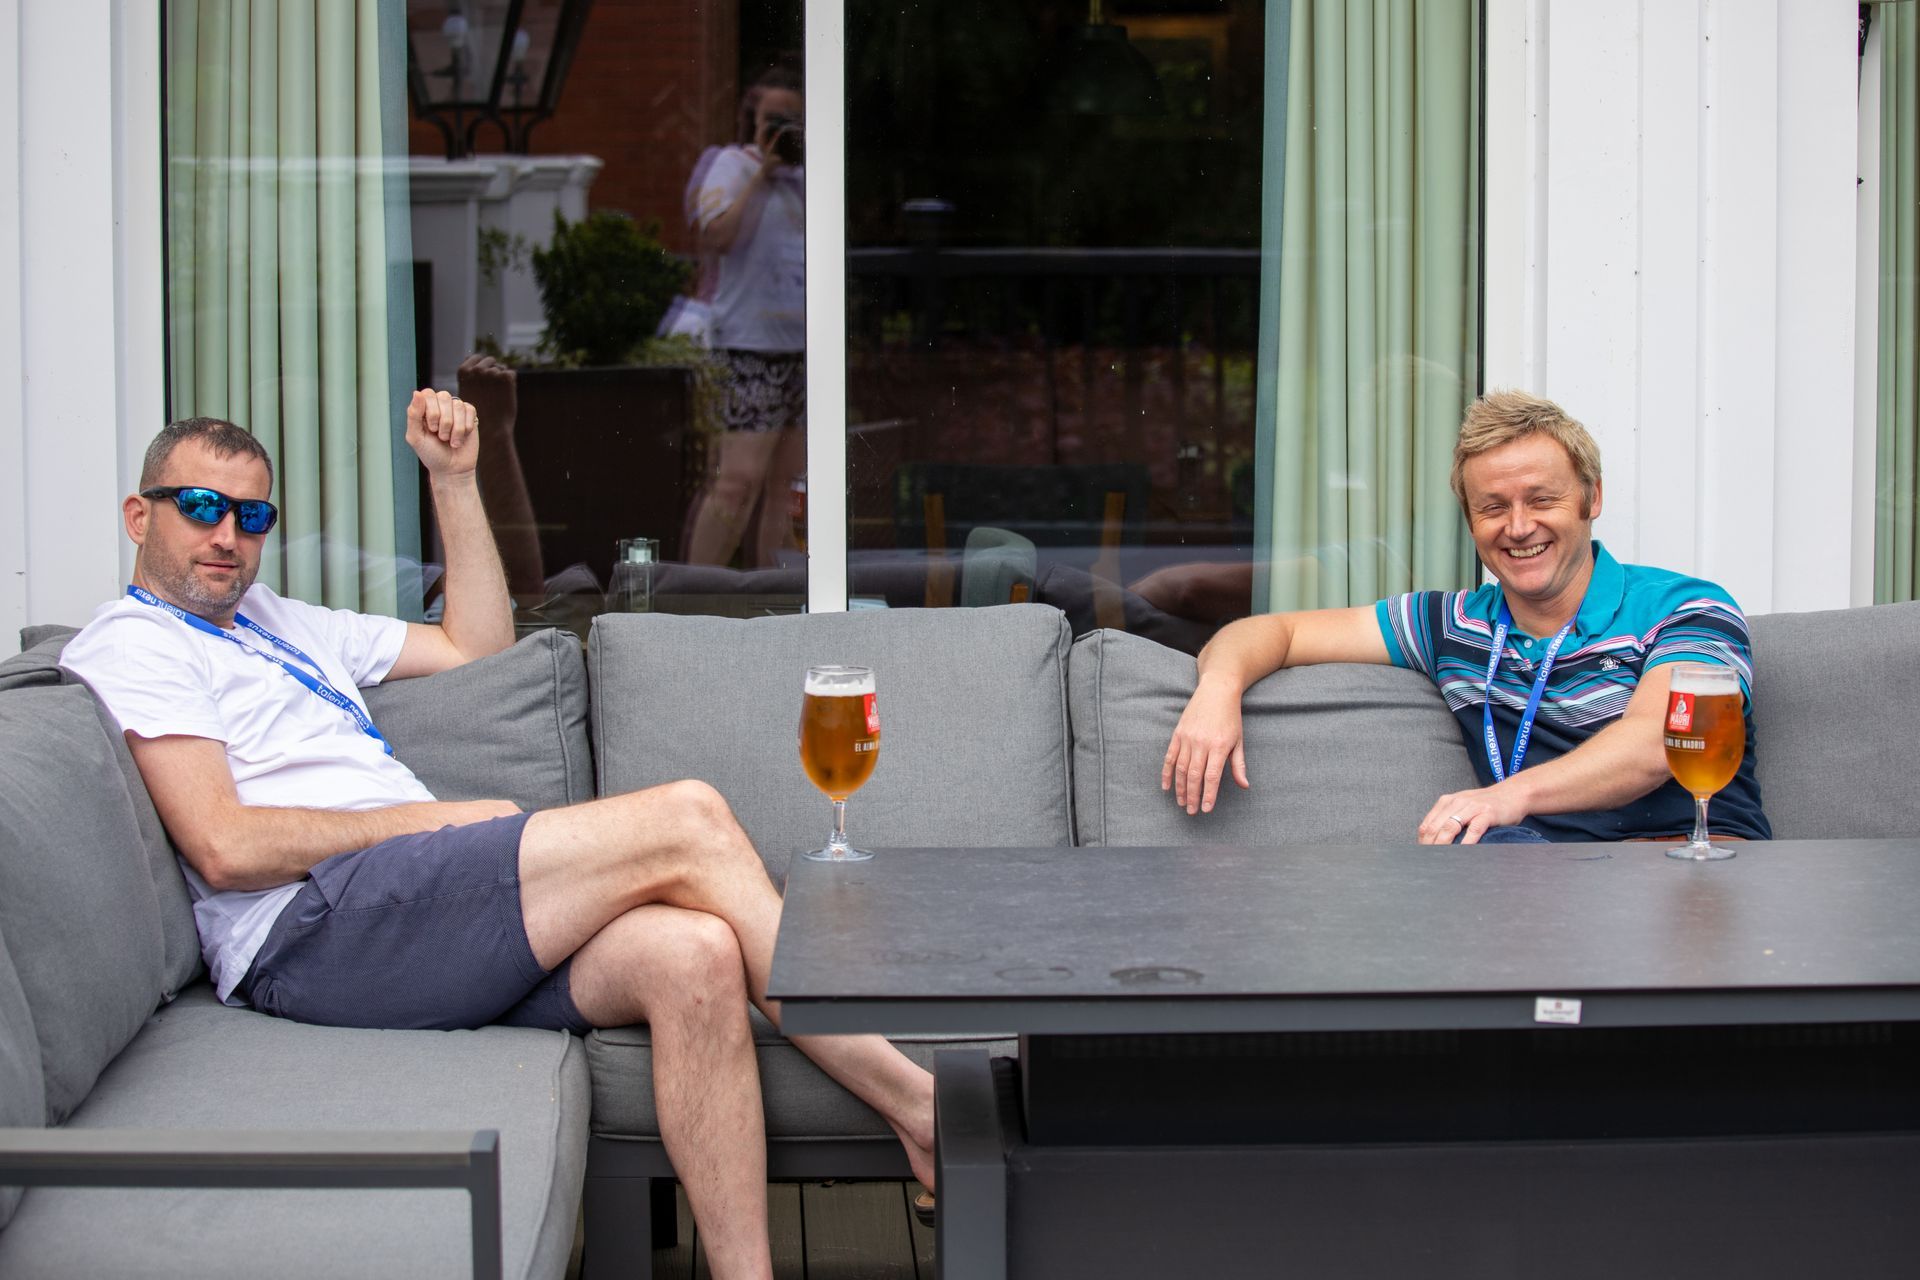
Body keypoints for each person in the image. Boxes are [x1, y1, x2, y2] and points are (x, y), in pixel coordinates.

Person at [60, 393, 934, 1279]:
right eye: (202, 508)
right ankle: (916, 1104)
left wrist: (456, 478)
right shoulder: (137, 642)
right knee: (690, 818)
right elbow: (223, 846)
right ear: (141, 515)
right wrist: (428, 820)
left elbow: (478, 643)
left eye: (252, 516)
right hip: (312, 929)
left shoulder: (280, 621)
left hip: (405, 910)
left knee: (695, 952)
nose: (227, 536)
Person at [1161, 389, 1772, 845]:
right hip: (1528, 887)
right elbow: (1277, 631)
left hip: (1687, 867)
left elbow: (1656, 744)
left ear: (1593, 499)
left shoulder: (1687, 608)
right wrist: (1218, 689)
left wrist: (1507, 798)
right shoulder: (1450, 624)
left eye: (1542, 499)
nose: (1518, 526)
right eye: (1492, 507)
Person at [683, 63, 809, 570]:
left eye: (792, 120)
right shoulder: (733, 166)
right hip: (747, 345)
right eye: (772, 118)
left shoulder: (808, 179)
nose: (783, 130)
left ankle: (774, 595)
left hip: (801, 347)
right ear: (752, 120)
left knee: (787, 487)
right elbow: (716, 235)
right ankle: (694, 596)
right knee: (736, 481)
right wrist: (763, 170)